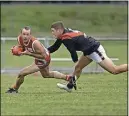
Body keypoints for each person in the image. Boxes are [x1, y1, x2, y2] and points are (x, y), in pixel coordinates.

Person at [47, 21, 128, 92]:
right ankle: (69, 87)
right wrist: (43, 51)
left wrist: (75, 61)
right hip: (88, 51)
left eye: (53, 31)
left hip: (95, 50)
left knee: (114, 70)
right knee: (78, 68)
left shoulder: (66, 37)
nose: (52, 33)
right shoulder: (63, 35)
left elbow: (72, 51)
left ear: (59, 30)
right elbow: (55, 47)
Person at [6, 26, 72, 93]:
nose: (25, 36)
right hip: (39, 57)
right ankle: (69, 78)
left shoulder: (35, 43)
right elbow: (23, 48)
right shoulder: (19, 39)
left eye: (27, 34)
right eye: (24, 34)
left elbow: (43, 56)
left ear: (30, 35)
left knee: (22, 73)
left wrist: (29, 53)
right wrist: (18, 51)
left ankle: (14, 89)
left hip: (44, 59)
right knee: (46, 75)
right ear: (20, 34)